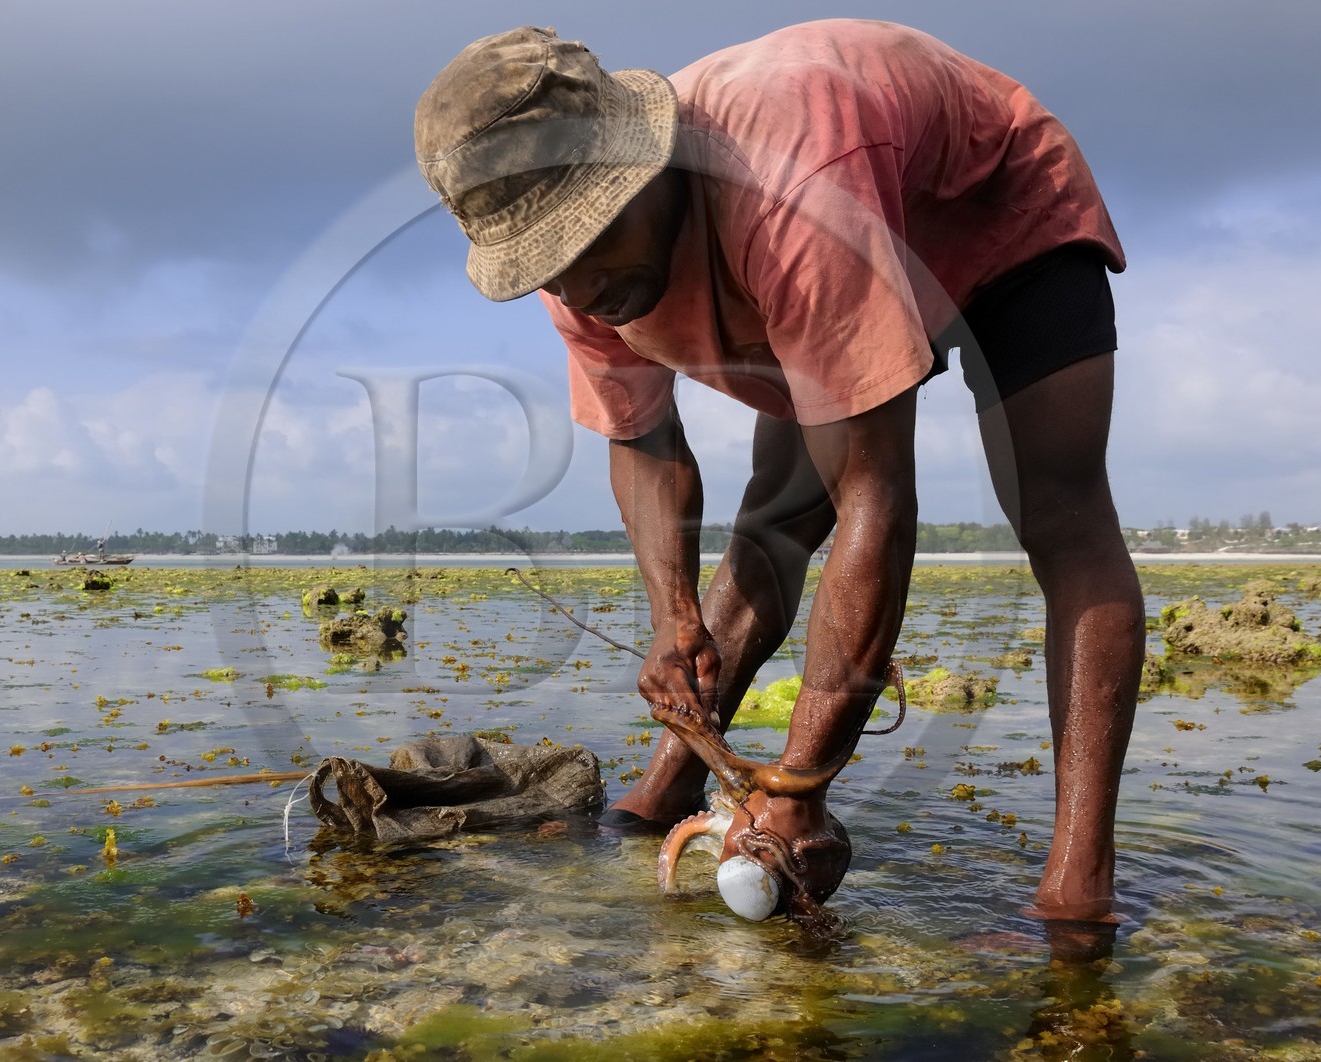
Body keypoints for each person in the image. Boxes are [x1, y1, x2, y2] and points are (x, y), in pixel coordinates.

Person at [414, 20, 1144, 926]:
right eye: (548, 270)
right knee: (776, 521)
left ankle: (1081, 887)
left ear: (652, 168)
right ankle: (666, 790)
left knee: (1061, 518)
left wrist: (802, 781)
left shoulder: (788, 186)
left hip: (995, 216)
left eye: (590, 241)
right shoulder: (582, 281)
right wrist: (671, 616)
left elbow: (876, 499)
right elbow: (642, 443)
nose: (577, 289)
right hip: (821, 249)